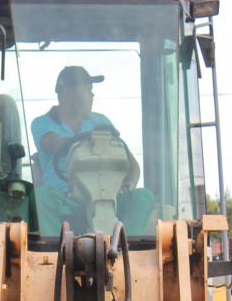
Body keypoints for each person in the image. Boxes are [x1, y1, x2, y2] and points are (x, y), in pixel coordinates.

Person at [30, 65, 155, 235]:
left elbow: (131, 164)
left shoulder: (100, 121)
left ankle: (122, 251)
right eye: (88, 89)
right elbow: (52, 143)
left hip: (106, 198)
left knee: (143, 197)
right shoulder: (42, 123)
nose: (92, 95)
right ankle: (54, 255)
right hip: (64, 200)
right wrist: (88, 141)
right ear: (67, 92)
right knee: (40, 198)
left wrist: (128, 186)